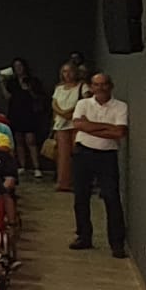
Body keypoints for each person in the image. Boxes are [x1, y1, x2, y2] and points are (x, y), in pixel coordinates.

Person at [69, 71, 129, 257]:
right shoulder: (83, 104)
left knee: (111, 198)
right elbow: (78, 125)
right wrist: (107, 127)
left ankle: (117, 244)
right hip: (83, 153)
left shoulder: (120, 106)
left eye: (104, 84)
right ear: (91, 87)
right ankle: (84, 236)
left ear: (110, 86)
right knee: (81, 197)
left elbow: (119, 133)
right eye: (96, 84)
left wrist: (91, 126)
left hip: (107, 156)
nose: (100, 88)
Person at [50, 59, 84, 193]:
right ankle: (63, 182)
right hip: (61, 124)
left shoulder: (82, 86)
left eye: (70, 71)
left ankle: (79, 182)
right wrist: (62, 113)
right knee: (63, 156)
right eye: (64, 71)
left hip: (76, 123)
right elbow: (54, 104)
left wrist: (69, 112)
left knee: (78, 154)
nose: (67, 74)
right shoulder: (59, 88)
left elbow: (83, 102)